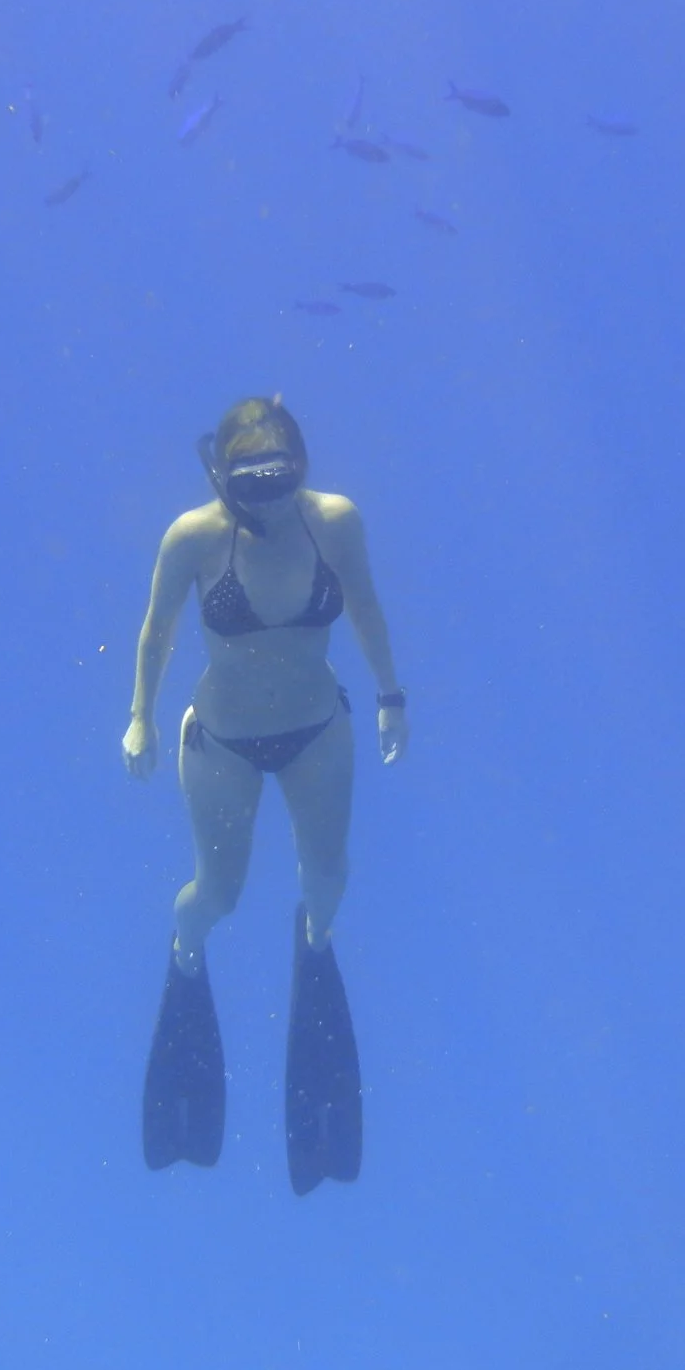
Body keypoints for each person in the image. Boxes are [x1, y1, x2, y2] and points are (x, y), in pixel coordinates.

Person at [123, 397, 406, 1193]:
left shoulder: (336, 522)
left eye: (284, 478)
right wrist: (140, 719)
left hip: (320, 729)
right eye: (255, 483)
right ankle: (186, 955)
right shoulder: (194, 537)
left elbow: (368, 606)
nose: (272, 496)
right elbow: (156, 630)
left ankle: (313, 943)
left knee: (330, 876)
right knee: (218, 894)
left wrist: (392, 696)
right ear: (224, 480)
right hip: (221, 742)